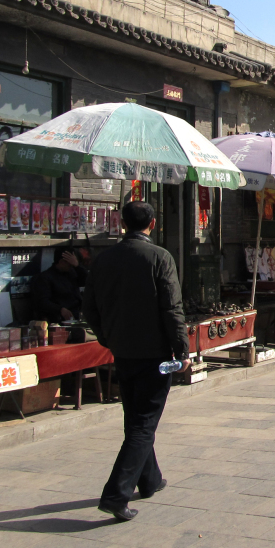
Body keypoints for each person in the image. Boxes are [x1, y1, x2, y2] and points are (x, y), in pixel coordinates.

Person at [83, 201, 189, 522]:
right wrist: (181, 349)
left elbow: (89, 305)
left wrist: (106, 336)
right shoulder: (159, 258)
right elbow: (172, 308)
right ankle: (116, 494)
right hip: (155, 353)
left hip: (122, 351)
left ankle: (150, 478)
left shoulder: (104, 259)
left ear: (122, 223)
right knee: (143, 423)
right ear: (153, 224)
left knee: (136, 418)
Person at [31, 245, 88, 322]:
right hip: (59, 317)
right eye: (69, 264)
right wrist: (60, 309)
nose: (71, 266)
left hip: (77, 314)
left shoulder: (72, 273)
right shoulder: (45, 277)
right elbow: (42, 301)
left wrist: (77, 266)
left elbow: (87, 281)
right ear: (61, 262)